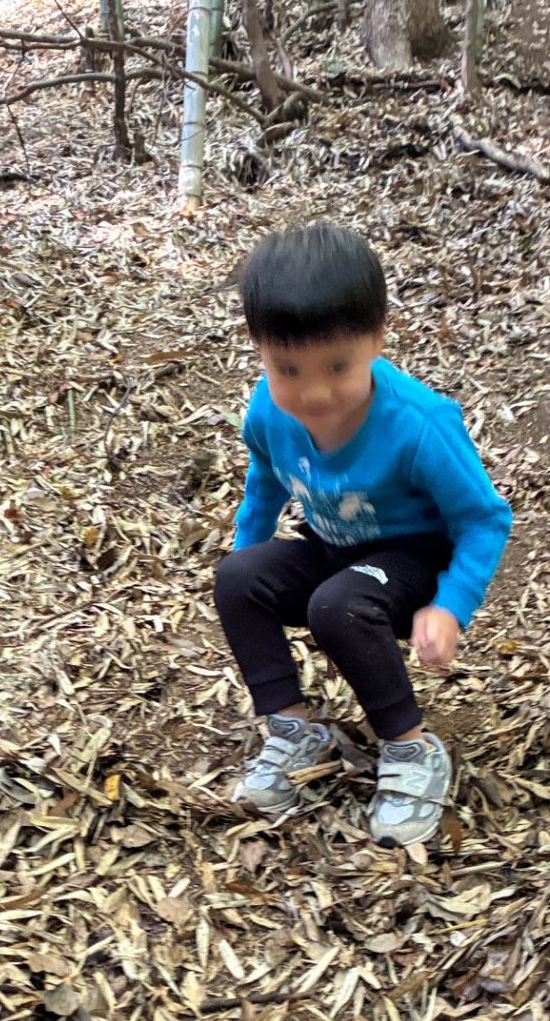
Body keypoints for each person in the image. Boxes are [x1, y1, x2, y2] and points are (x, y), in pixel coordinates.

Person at [213, 223, 512, 850]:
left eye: (337, 366)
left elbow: (484, 518)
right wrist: (251, 554)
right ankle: (294, 730)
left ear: (377, 339)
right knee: (237, 577)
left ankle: (411, 748)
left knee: (337, 604)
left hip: (415, 562)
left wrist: (451, 605)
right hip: (334, 549)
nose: (314, 393)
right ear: (259, 350)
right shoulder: (269, 410)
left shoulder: (419, 423)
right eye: (287, 369)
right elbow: (264, 482)